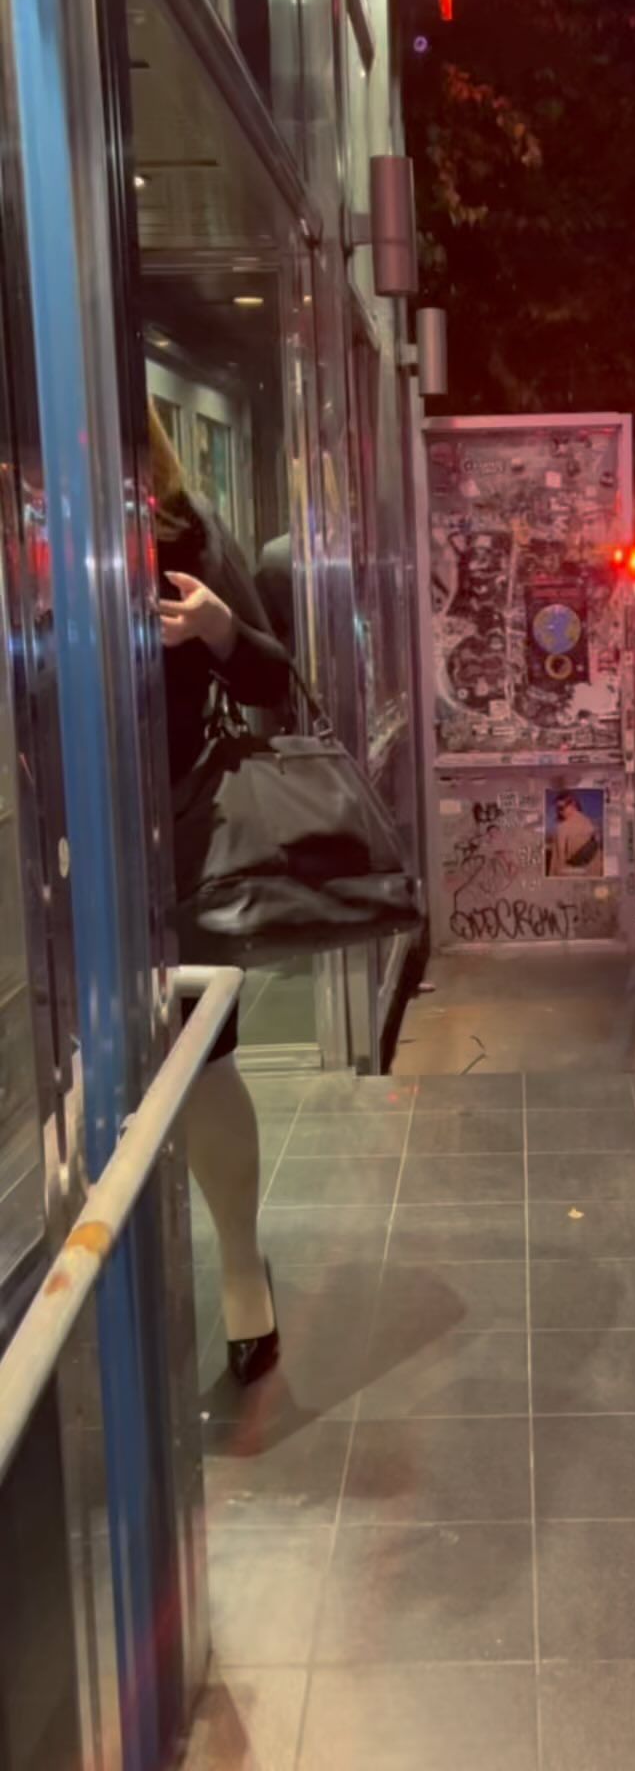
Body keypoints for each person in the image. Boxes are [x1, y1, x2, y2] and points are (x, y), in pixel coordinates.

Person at [150, 405, 291, 1384]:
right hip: (37, 851)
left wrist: (217, 627)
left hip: (173, 841)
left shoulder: (181, 527)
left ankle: (241, 1268)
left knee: (201, 1060)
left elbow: (274, 683)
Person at [549, 791, 604, 878]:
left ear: (572, 804)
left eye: (561, 808)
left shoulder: (563, 827)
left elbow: (560, 861)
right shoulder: (591, 824)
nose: (559, 812)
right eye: (557, 809)